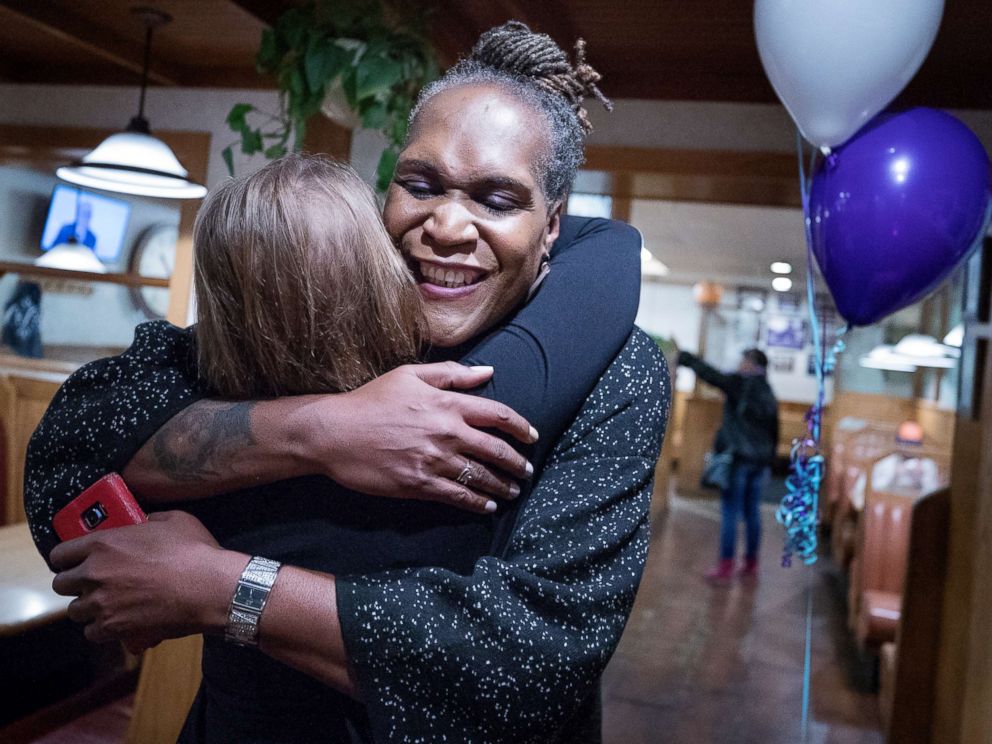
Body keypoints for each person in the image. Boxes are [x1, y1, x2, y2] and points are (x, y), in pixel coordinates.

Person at [28, 22, 670, 743]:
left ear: (552, 226)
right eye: (420, 184)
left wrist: (222, 587)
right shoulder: (330, 307)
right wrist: (322, 430)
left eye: (496, 199)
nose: (448, 225)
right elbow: (76, 442)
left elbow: (530, 663)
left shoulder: (615, 370)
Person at [677, 348, 778, 582]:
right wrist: (769, 461)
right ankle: (751, 563)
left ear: (752, 364)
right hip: (759, 461)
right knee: (752, 512)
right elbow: (775, 430)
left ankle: (726, 565)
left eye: (744, 360)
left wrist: (686, 358)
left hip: (739, 459)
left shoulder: (740, 384)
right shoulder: (768, 390)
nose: (740, 364)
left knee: (730, 512)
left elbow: (711, 375)